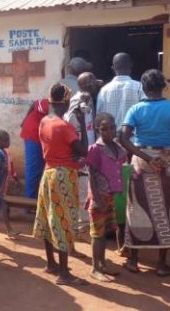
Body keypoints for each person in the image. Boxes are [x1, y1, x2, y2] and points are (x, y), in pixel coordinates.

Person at [119, 69, 170, 276]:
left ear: (143, 88)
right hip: (166, 162)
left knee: (136, 208)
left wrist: (145, 157)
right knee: (167, 209)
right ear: (164, 86)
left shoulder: (135, 109)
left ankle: (134, 261)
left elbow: (123, 138)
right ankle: (161, 265)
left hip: (141, 162)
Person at [33, 83, 87, 286]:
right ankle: (64, 274)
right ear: (65, 101)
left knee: (48, 218)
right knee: (64, 220)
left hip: (48, 174)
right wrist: (80, 122)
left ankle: (51, 264)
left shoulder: (44, 121)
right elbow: (84, 151)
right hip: (63, 175)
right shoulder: (64, 127)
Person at [96, 52, 145, 257]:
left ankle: (111, 230)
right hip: (132, 148)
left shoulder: (104, 90)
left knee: (110, 190)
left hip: (109, 148)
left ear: (112, 67)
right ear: (131, 66)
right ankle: (128, 235)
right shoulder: (139, 87)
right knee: (130, 193)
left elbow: (99, 119)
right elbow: (143, 116)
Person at [85, 113, 126, 282]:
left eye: (112, 127)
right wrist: (96, 197)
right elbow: (91, 174)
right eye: (104, 129)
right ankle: (95, 268)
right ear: (98, 130)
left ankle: (102, 264)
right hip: (99, 197)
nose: (109, 131)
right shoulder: (95, 149)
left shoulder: (118, 148)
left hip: (111, 196)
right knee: (97, 233)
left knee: (104, 232)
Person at [65, 72, 99, 238]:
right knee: (82, 188)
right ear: (87, 85)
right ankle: (80, 226)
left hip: (88, 150)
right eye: (94, 84)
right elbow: (73, 128)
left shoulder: (87, 99)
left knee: (87, 187)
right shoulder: (78, 103)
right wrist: (85, 154)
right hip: (81, 153)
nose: (96, 87)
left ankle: (84, 224)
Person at [20, 98, 49, 199]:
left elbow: (34, 103)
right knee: (34, 169)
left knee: (41, 168)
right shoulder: (48, 105)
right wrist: (25, 119)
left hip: (42, 135)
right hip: (33, 134)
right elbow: (35, 103)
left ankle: (35, 199)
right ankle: (29, 201)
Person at [0, 129, 21, 239]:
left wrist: (16, 179)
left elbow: (12, 167)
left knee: (0, 205)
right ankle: (9, 229)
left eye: (8, 139)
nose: (8, 142)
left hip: (4, 184)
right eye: (5, 140)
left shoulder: (7, 152)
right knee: (2, 205)